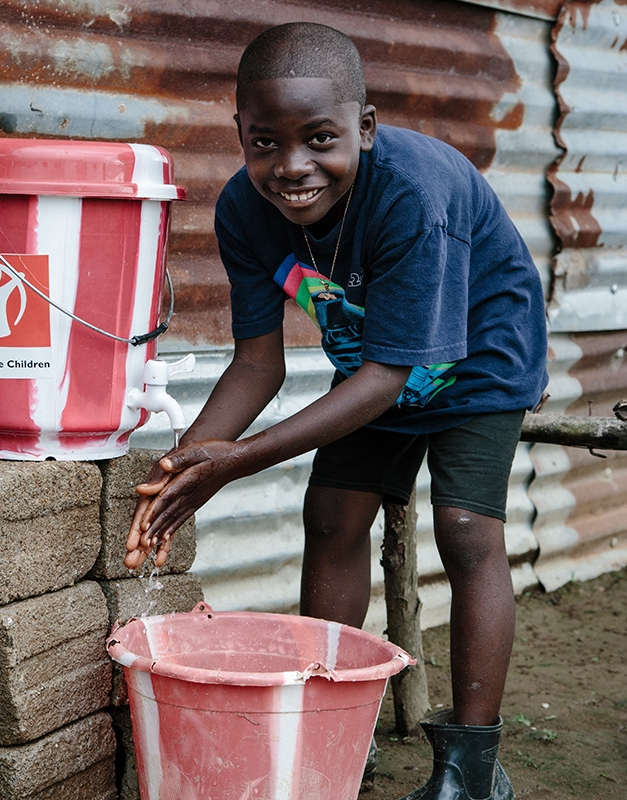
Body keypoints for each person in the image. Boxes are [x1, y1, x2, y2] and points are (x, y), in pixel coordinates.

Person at [125, 21, 548, 800]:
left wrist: (238, 461)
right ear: (241, 136)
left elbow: (392, 377)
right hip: (376, 364)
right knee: (331, 518)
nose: (292, 168)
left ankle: (471, 768)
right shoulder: (243, 213)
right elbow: (258, 362)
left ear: (366, 127)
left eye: (320, 139)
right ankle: (333, 728)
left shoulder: (411, 195)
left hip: (480, 355)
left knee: (465, 530)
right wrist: (185, 463)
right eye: (265, 143)